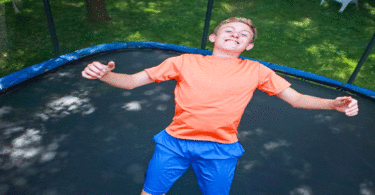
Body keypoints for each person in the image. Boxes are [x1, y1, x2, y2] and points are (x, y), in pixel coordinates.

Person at [81, 17, 359, 195]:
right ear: (214, 37)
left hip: (220, 149)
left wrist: (332, 103)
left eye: (244, 35)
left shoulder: (257, 70)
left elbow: (297, 99)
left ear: (249, 46)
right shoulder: (184, 61)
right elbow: (130, 82)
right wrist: (105, 74)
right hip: (174, 143)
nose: (236, 35)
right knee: (151, 193)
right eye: (229, 30)